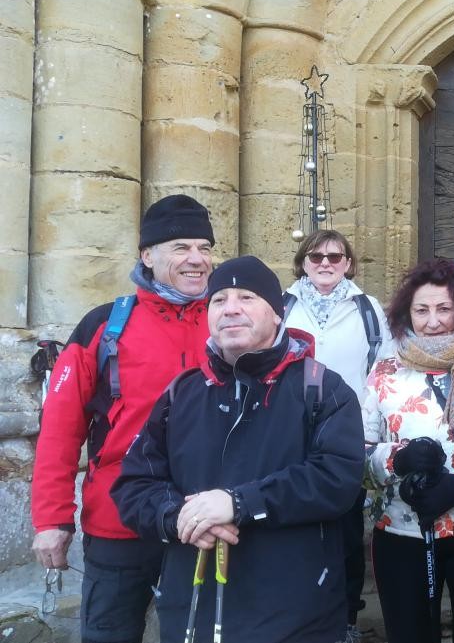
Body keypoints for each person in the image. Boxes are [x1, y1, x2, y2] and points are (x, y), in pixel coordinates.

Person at [111, 256, 365, 643]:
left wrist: (239, 502)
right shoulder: (181, 393)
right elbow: (134, 486)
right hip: (192, 609)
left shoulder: (322, 390)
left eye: (246, 297)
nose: (231, 308)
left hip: (294, 615)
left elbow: (337, 478)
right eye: (219, 299)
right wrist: (178, 516)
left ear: (277, 314)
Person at [31, 194, 215, 643]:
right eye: (181, 248)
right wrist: (52, 521)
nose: (197, 260)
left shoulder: (229, 319)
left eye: (205, 248)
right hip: (118, 521)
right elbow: (60, 429)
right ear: (147, 256)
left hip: (204, 518)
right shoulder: (103, 326)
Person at [363, 259, 454, 643]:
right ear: (405, 314)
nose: (432, 321)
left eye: (444, 309)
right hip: (402, 527)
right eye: (421, 310)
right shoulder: (385, 372)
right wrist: (398, 461)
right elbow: (358, 453)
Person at [283, 229, 392, 642]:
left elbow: (381, 369)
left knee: (346, 530)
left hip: (347, 431)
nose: (325, 263)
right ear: (303, 263)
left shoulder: (367, 309)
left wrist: (367, 432)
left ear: (348, 263)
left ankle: (345, 617)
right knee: (293, 522)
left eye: (335, 256)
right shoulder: (283, 305)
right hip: (290, 432)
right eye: (316, 257)